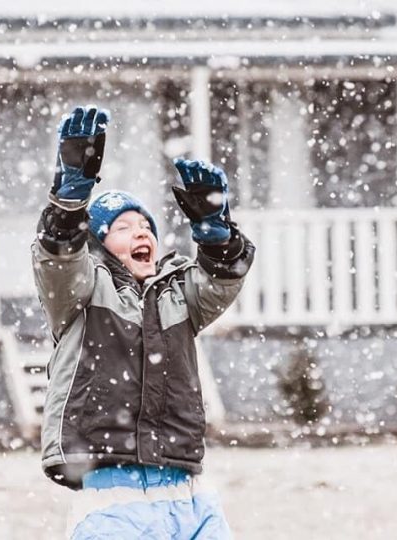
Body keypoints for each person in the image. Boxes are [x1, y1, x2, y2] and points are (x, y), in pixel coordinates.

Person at [31, 105, 255, 538]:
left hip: (188, 491)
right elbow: (58, 257)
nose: (141, 233)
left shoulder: (178, 295)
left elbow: (222, 280)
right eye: (122, 227)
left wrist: (217, 233)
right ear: (96, 246)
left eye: (146, 226)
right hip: (111, 496)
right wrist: (70, 200)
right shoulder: (82, 291)